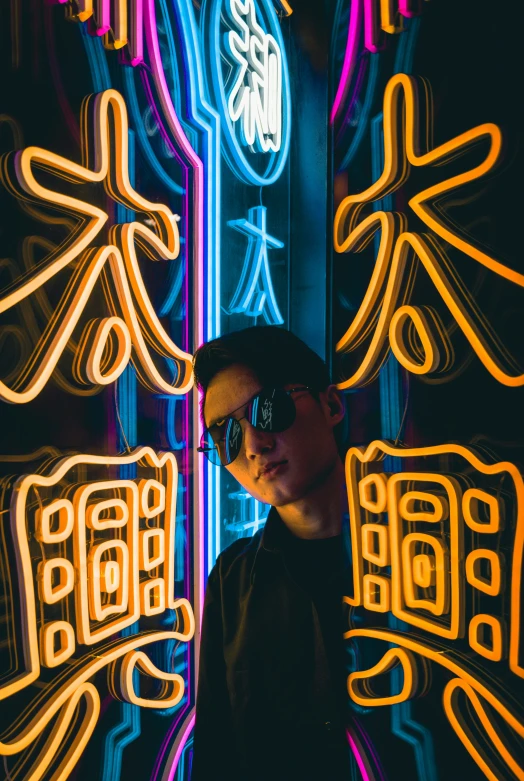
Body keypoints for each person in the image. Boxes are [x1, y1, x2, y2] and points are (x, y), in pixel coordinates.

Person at [190, 326, 352, 781]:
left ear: (331, 404)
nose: (254, 445)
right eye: (225, 437)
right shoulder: (231, 580)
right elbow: (218, 751)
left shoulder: (418, 556)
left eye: (269, 408)